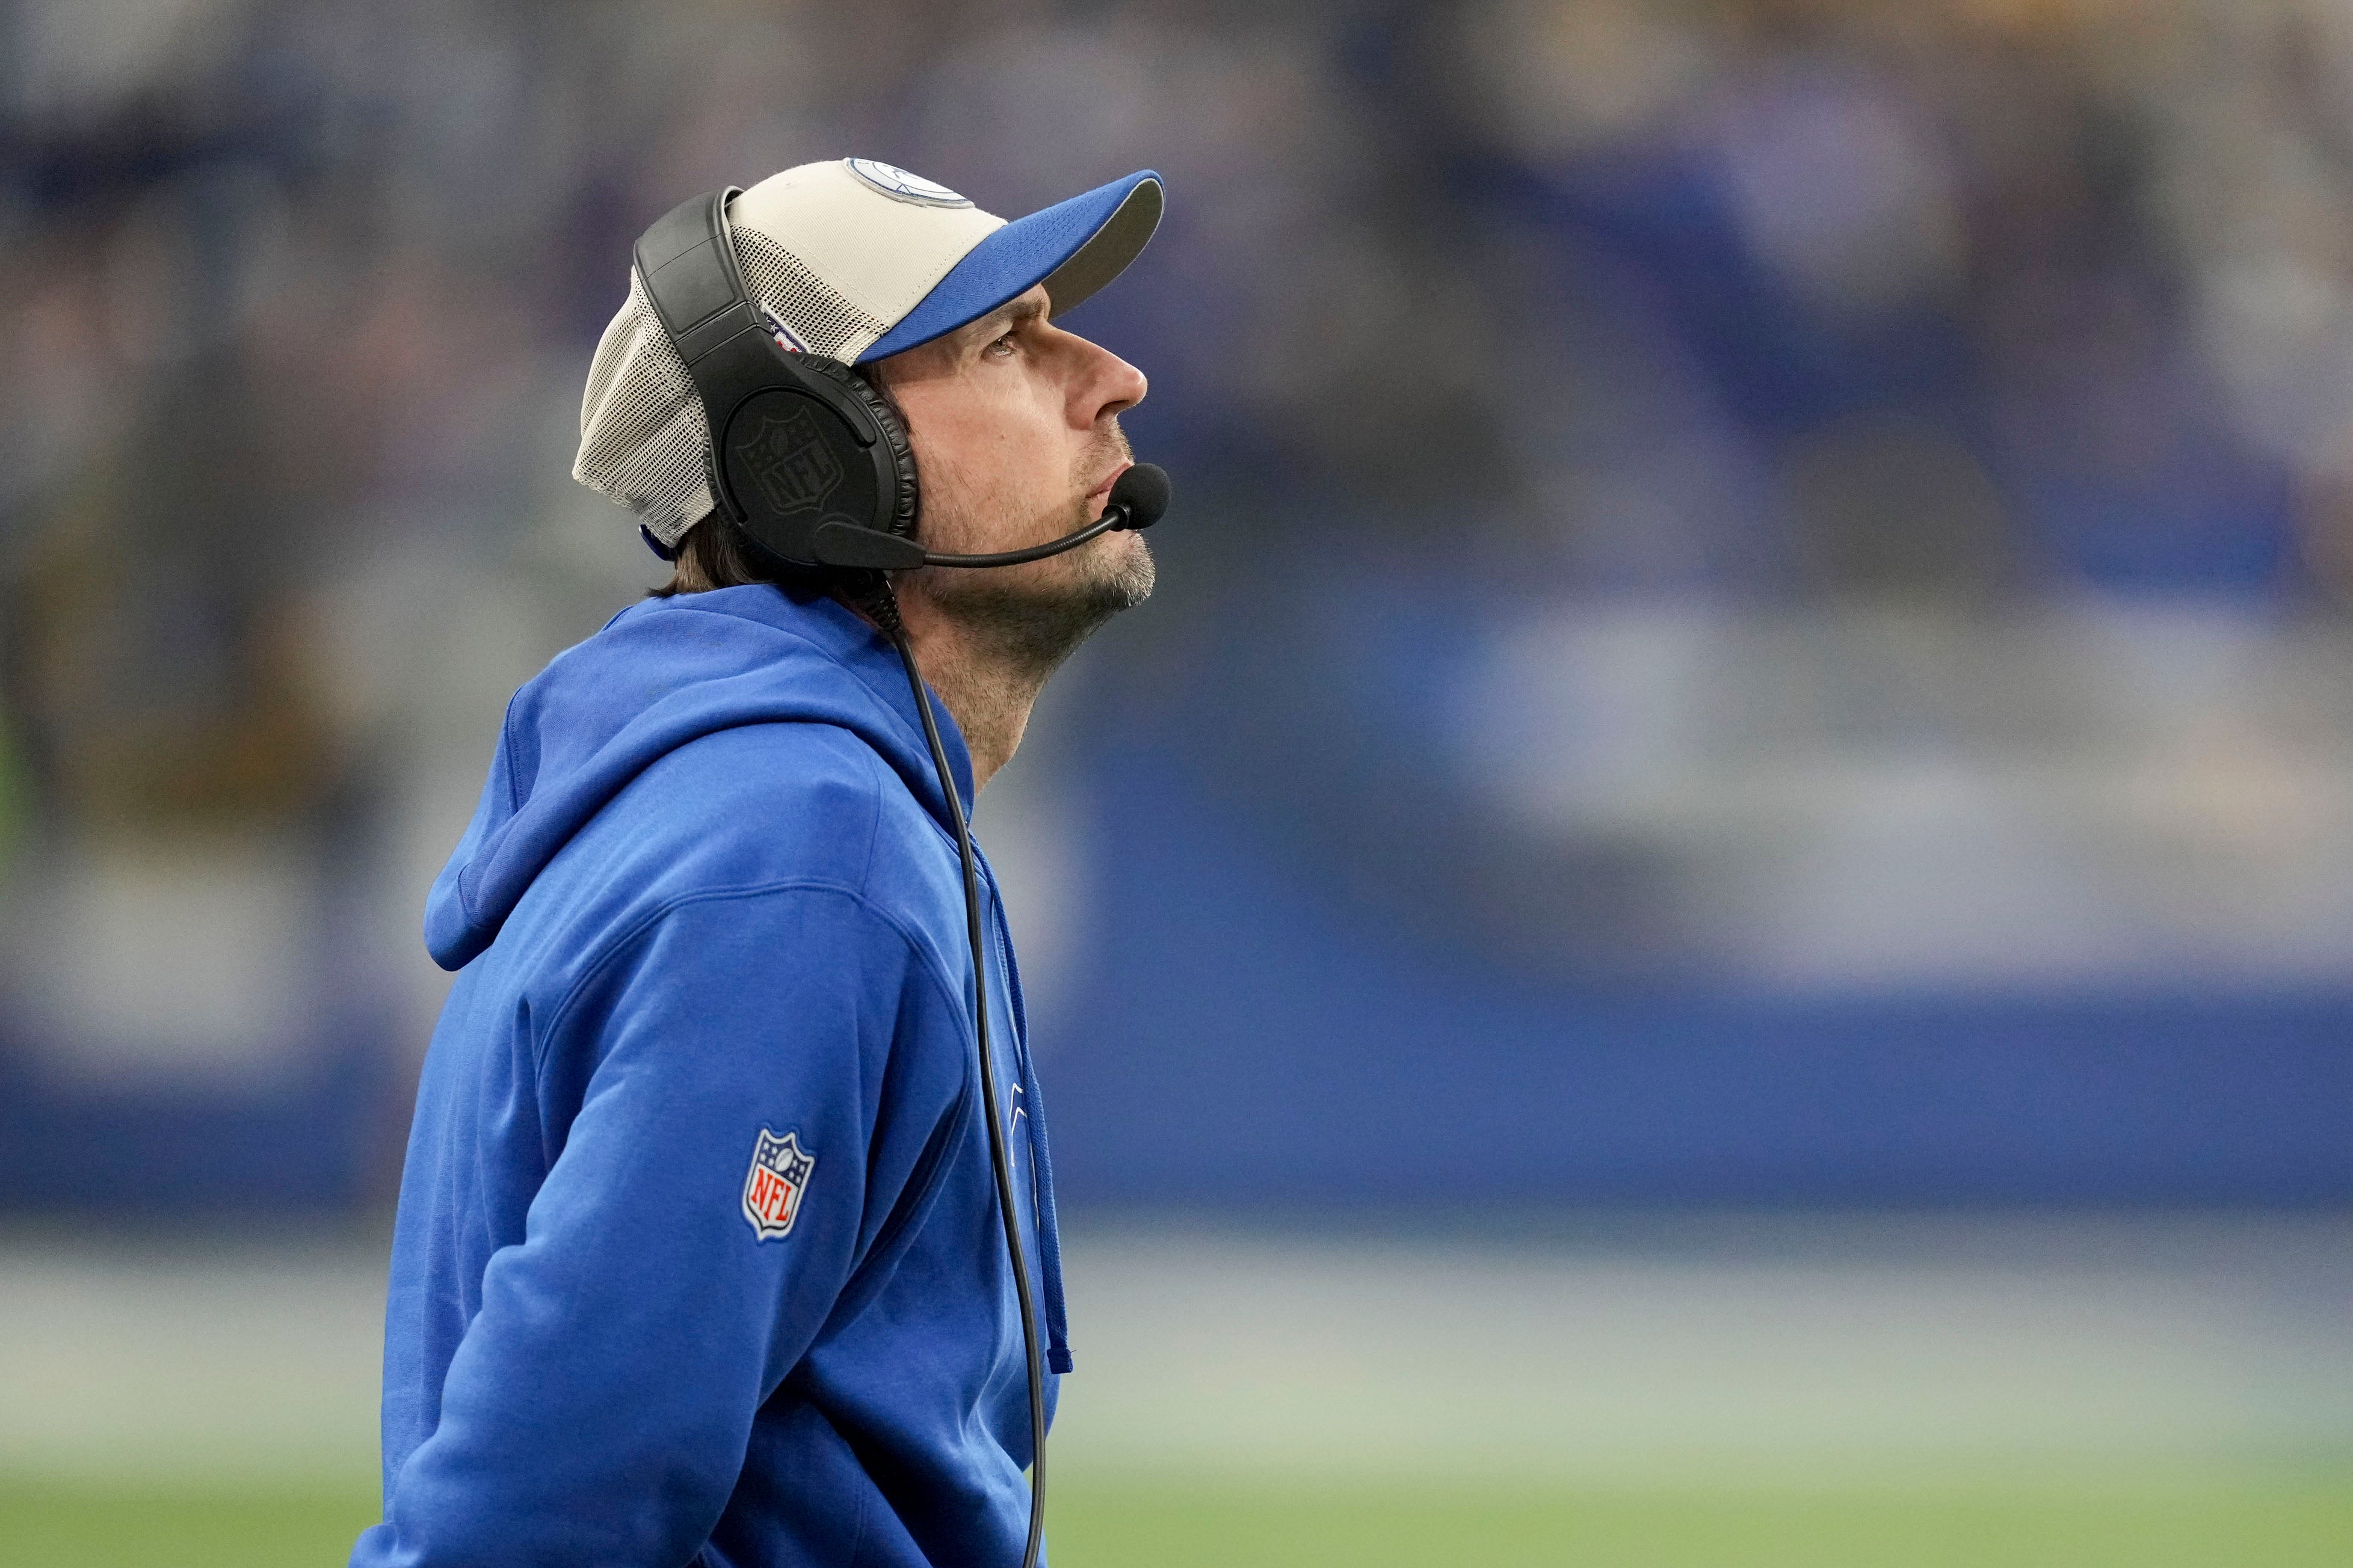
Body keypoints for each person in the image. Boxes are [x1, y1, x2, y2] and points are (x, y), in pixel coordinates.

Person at [350, 158, 1164, 1568]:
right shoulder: (799, 853)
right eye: (1003, 343)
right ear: (814, 458)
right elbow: (540, 1510)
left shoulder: (770, 805)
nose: (1114, 378)